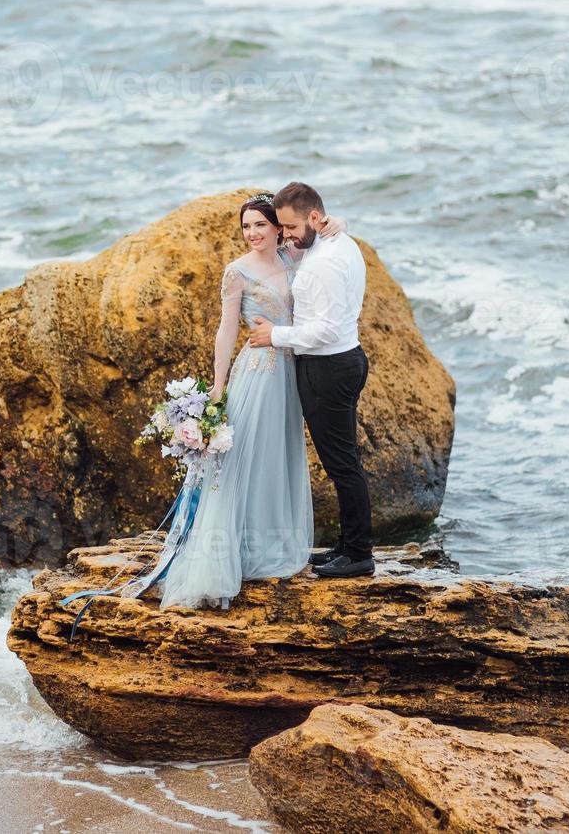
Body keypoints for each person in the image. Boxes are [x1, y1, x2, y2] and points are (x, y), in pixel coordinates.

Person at [104, 194, 343, 611]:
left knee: (278, 457)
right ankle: (235, 552)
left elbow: (321, 236)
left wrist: (335, 223)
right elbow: (225, 331)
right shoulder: (237, 273)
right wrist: (217, 387)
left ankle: (273, 546)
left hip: (291, 372)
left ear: (277, 227)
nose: (252, 233)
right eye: (246, 227)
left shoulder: (293, 258)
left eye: (260, 225)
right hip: (257, 371)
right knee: (243, 459)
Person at [247, 181, 373, 578]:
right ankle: (349, 545)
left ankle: (358, 554)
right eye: (280, 228)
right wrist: (340, 222)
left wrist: (275, 336)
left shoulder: (325, 264)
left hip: (329, 366)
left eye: (288, 227)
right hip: (338, 363)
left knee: (342, 466)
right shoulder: (335, 242)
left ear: (315, 218)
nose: (284, 235)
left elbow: (326, 330)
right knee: (343, 461)